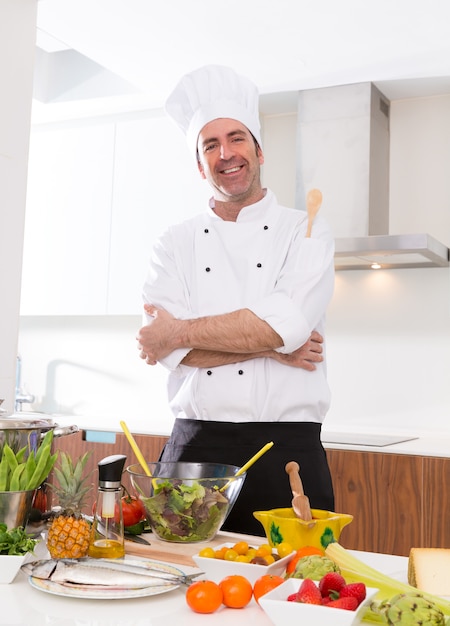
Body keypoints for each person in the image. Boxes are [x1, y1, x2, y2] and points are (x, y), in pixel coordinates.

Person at [136, 64, 335, 536]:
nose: (226, 153)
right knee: (182, 591)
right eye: (210, 145)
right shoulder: (173, 242)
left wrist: (180, 334)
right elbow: (164, 352)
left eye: (236, 137)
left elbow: (283, 325)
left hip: (287, 452)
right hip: (194, 447)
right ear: (199, 164)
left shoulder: (304, 227)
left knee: (293, 591)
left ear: (258, 149)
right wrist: (272, 349)